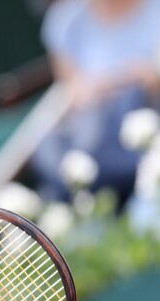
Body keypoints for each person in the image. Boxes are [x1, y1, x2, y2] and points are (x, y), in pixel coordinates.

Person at [28, 0, 160, 208]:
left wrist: (152, 79)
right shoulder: (64, 21)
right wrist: (85, 93)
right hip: (97, 163)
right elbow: (69, 90)